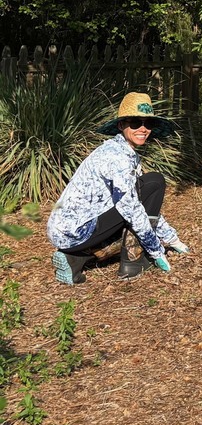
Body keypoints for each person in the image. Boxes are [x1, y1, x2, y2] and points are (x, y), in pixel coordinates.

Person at [47, 92, 189, 285]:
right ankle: (133, 262)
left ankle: (75, 260)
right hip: (76, 231)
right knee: (154, 183)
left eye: (148, 123)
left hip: (67, 232)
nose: (143, 128)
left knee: (144, 192)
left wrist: (171, 238)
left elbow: (139, 203)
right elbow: (131, 207)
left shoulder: (120, 150)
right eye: (135, 122)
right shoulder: (117, 158)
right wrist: (157, 250)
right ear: (122, 125)